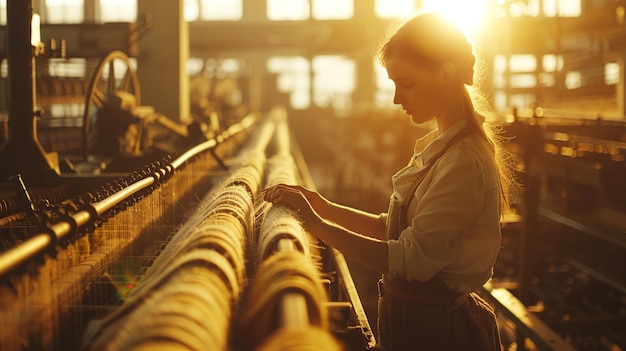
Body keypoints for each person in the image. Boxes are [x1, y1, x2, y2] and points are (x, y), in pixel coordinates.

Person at [263, 11, 516, 351]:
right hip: (418, 326)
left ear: (445, 73)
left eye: (406, 84)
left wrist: (317, 224)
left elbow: (408, 260)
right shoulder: (441, 149)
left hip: (440, 336)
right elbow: (393, 229)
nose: (397, 98)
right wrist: (323, 206)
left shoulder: (463, 162)